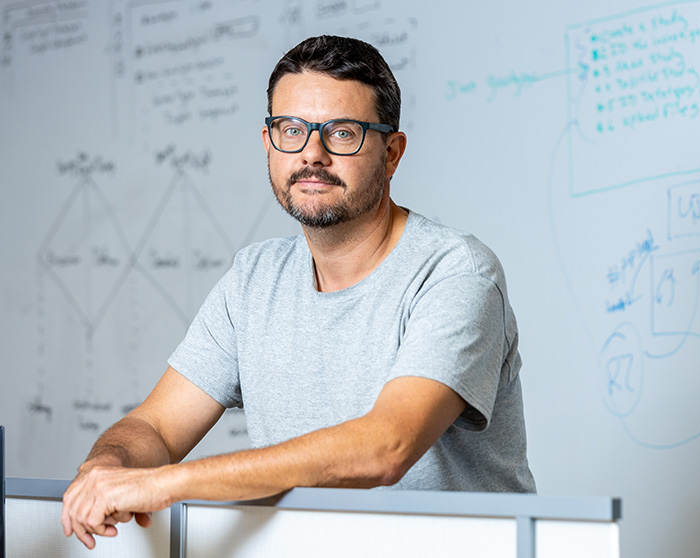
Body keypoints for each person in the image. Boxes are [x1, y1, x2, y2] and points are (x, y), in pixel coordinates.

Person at [61, 35, 535, 549]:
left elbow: (386, 447)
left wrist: (161, 484)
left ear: (392, 153)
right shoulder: (253, 279)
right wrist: (107, 466)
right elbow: (155, 426)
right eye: (291, 130)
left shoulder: (454, 274)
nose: (312, 154)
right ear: (269, 144)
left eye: (342, 133)